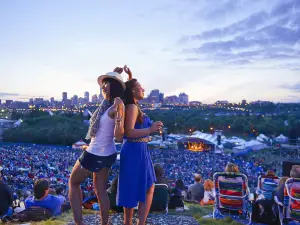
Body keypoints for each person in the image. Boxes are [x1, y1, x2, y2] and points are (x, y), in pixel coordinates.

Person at [69, 68, 126, 225]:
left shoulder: (116, 105)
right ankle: (104, 223)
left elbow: (119, 135)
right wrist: (116, 73)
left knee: (73, 183)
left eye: (106, 84)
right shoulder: (106, 104)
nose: (103, 87)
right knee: (100, 191)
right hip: (107, 153)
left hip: (96, 153)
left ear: (113, 87)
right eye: (103, 84)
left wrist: (120, 112)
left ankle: (79, 222)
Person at [117, 66, 163, 225]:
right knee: (146, 187)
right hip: (134, 150)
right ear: (133, 92)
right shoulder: (131, 107)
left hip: (139, 150)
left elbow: (134, 131)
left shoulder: (133, 106)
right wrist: (150, 129)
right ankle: (136, 223)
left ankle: (131, 222)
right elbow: (128, 132)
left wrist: (130, 76)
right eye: (139, 88)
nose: (143, 89)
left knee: (141, 186)